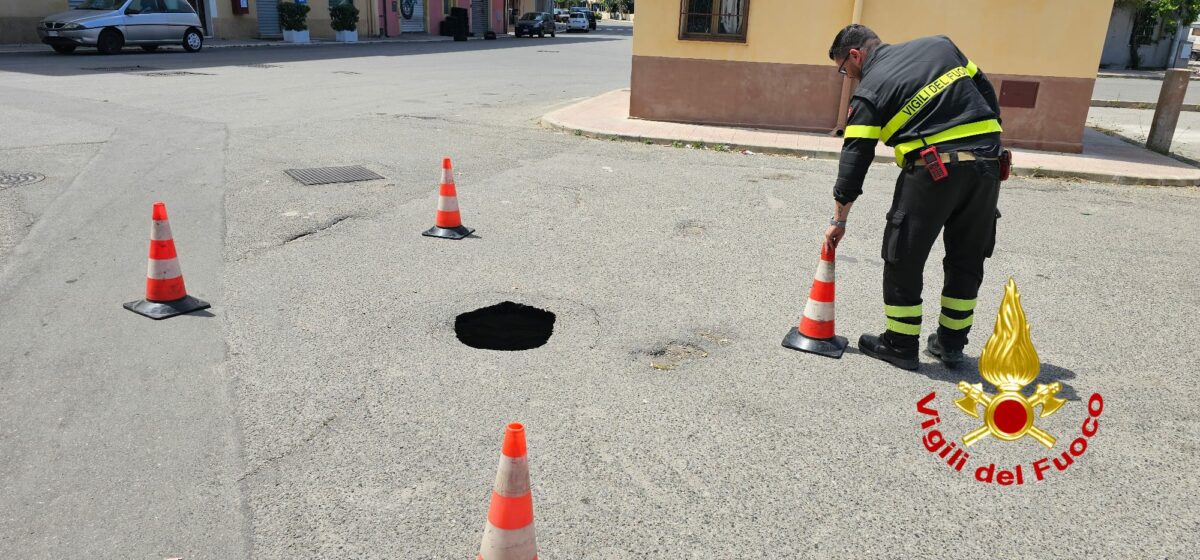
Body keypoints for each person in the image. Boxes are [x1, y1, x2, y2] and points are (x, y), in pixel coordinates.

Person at [823, 24, 1007, 371]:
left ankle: (900, 344)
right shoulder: (941, 46)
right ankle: (951, 344)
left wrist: (839, 219)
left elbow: (855, 158)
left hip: (933, 169)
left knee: (903, 255)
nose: (848, 77)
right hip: (988, 163)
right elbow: (983, 86)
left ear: (855, 55)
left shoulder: (870, 90)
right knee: (967, 256)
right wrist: (988, 136)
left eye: (844, 69)